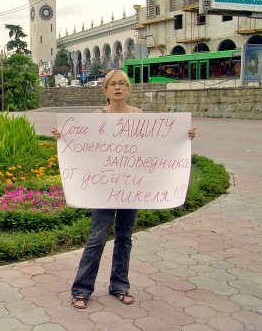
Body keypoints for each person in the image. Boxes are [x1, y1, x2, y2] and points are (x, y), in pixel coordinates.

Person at [51, 69, 196, 310]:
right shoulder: (96, 117)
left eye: (122, 83)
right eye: (112, 84)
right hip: (104, 189)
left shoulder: (139, 116)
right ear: (105, 90)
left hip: (132, 187)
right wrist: (63, 137)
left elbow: (157, 145)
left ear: (128, 89)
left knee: (124, 237)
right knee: (97, 237)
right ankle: (81, 289)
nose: (118, 87)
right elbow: (84, 146)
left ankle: (119, 285)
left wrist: (185, 135)